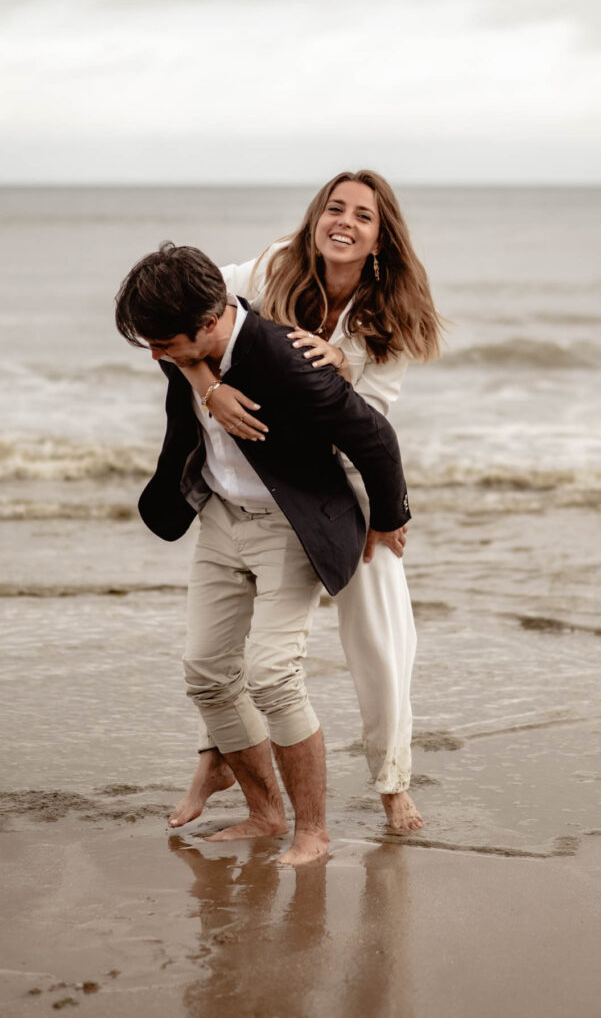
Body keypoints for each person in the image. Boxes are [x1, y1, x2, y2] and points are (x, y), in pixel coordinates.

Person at [114, 242, 412, 865]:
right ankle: (264, 813)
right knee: (206, 672)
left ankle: (313, 832)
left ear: (208, 324)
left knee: (273, 676)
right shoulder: (185, 338)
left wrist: (387, 521)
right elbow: (188, 355)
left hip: (285, 525)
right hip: (220, 517)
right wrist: (204, 382)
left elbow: (375, 438)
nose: (155, 355)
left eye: (165, 345)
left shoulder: (287, 359)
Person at [169, 170, 442, 833]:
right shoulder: (271, 266)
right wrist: (206, 383)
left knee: (381, 634)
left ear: (380, 239)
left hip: (341, 476)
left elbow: (371, 426)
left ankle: (391, 779)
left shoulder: (391, 319)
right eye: (333, 208)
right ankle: (218, 757)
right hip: (263, 475)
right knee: (226, 653)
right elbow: (181, 319)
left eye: (361, 215)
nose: (343, 221)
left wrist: (387, 513)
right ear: (316, 217)